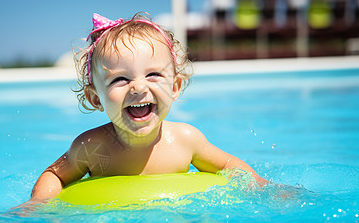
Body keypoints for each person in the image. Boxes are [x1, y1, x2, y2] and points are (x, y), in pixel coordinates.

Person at [17, 13, 267, 209]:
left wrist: (261, 187)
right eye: (120, 79)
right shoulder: (91, 146)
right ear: (96, 98)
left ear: (175, 86)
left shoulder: (186, 140)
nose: (138, 87)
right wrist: (39, 204)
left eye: (153, 75)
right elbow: (54, 175)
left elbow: (228, 164)